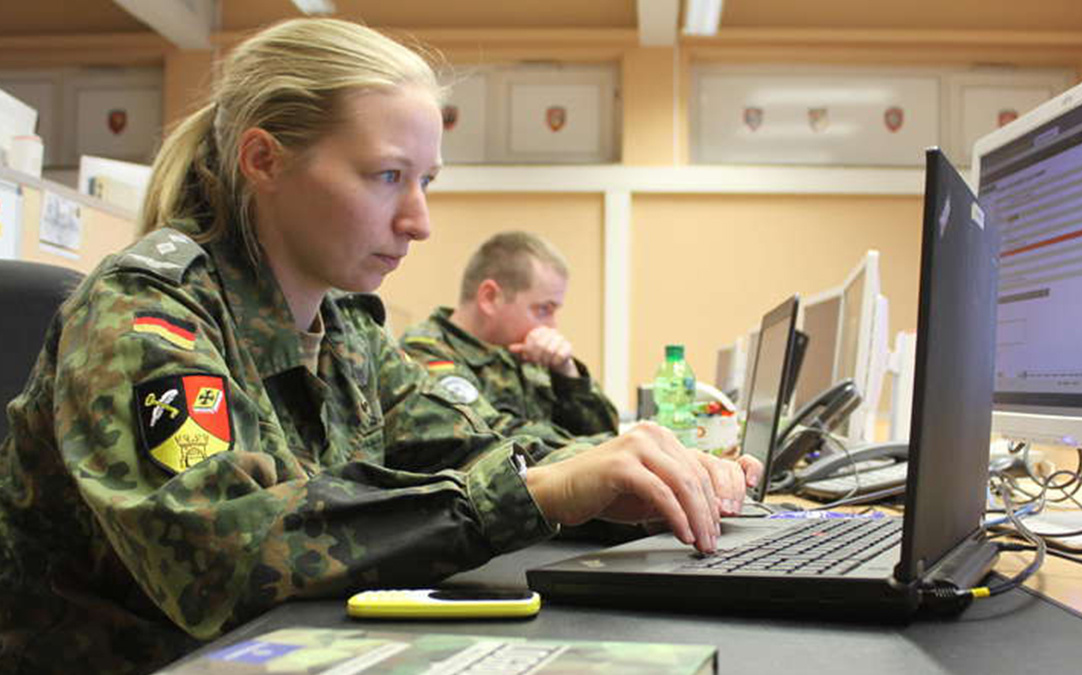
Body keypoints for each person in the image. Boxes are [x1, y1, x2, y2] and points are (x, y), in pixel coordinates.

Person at [0, 18, 760, 675]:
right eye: (387, 176)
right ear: (263, 160)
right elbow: (219, 553)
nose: (419, 220)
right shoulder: (146, 315)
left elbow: (475, 444)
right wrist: (538, 492)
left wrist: (627, 469)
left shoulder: (349, 331)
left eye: (426, 179)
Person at [402, 232, 618, 441]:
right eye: (543, 309)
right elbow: (489, 437)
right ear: (490, 297)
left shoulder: (528, 353)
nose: (553, 325)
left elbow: (607, 432)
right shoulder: (424, 352)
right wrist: (596, 454)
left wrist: (566, 373)